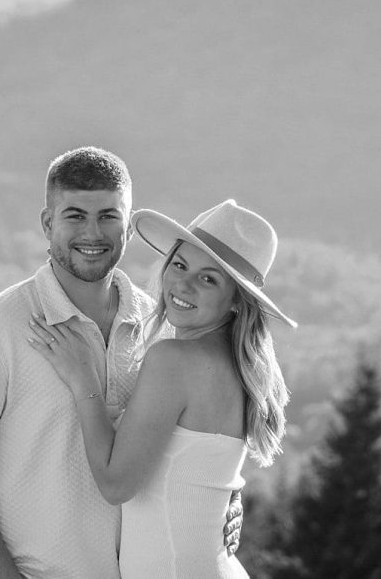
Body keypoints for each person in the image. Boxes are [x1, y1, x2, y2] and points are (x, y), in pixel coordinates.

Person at [0, 147, 239, 578]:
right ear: (47, 224)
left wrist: (226, 499)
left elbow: (182, 449)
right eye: (75, 216)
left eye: (108, 216)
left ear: (128, 227)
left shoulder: (160, 329)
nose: (93, 233)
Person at [27, 199, 294, 579]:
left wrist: (84, 380)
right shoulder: (239, 366)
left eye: (208, 278)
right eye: (180, 265)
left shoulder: (174, 359)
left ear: (237, 300)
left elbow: (116, 484)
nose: (182, 284)